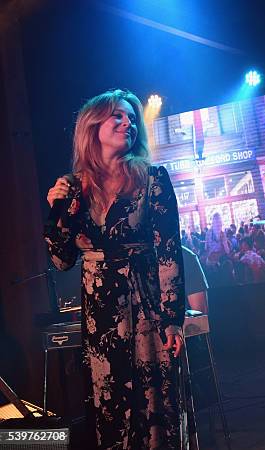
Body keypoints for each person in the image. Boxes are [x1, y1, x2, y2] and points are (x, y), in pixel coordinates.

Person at [44, 89, 187, 449]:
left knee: (153, 405)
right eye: (118, 117)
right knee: (111, 407)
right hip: (101, 313)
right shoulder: (74, 188)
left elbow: (169, 251)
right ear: (93, 126)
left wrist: (173, 318)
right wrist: (57, 209)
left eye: (133, 118)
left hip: (146, 307)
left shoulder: (153, 179)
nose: (129, 123)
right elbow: (61, 260)